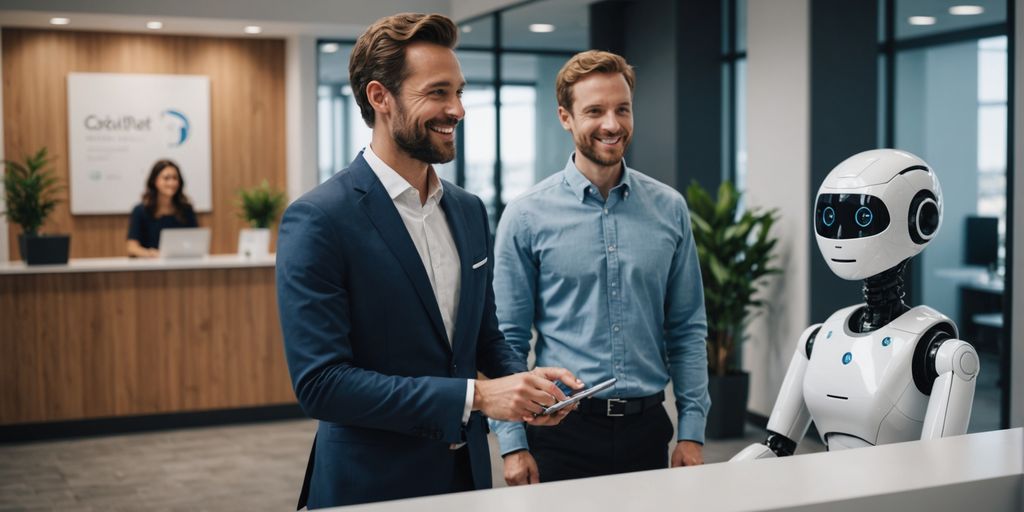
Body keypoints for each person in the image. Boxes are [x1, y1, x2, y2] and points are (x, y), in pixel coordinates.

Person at [275, 13, 582, 510]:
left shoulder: (468, 210)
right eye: (438, 93)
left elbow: (484, 338)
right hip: (370, 485)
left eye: (459, 92)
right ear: (380, 97)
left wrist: (527, 385)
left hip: (466, 478)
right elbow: (322, 385)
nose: (457, 109)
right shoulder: (318, 219)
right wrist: (479, 397)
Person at [490, 50, 711, 485]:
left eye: (622, 109)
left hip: (647, 430)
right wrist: (512, 443)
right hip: (560, 430)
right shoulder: (526, 215)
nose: (612, 124)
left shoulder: (669, 208)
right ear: (565, 117)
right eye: (594, 111)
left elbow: (687, 328)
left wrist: (692, 432)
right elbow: (506, 341)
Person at [126, 159, 198, 257]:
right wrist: (149, 253)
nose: (171, 183)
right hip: (150, 264)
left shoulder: (186, 209)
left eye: (175, 178)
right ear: (154, 181)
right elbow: (131, 247)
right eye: (166, 178)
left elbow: (195, 242)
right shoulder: (140, 211)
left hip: (181, 263)